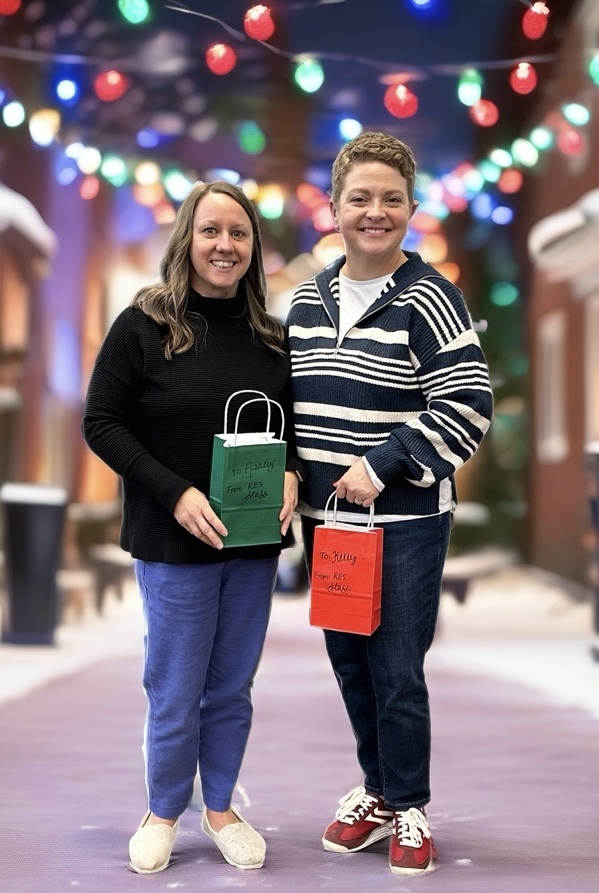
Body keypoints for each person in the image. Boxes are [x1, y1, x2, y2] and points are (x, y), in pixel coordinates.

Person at [286, 132, 493, 876]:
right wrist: (284, 469)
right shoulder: (305, 302)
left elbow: (468, 404)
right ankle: (375, 789)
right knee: (348, 661)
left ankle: (408, 803)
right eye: (359, 198)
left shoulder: (431, 297)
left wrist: (384, 461)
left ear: (409, 209)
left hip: (403, 522)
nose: (374, 212)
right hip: (328, 525)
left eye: (391, 199)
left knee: (396, 665)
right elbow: (290, 406)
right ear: (334, 208)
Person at [82, 180, 303, 875]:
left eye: (238, 234)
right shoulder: (143, 325)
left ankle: (221, 808)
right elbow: (102, 422)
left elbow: (292, 426)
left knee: (231, 683)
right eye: (210, 231)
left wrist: (294, 468)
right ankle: (163, 809)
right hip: (174, 538)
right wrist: (174, 493)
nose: (224, 245)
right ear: (187, 239)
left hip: (251, 538)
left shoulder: (271, 336)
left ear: (252, 249)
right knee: (175, 684)